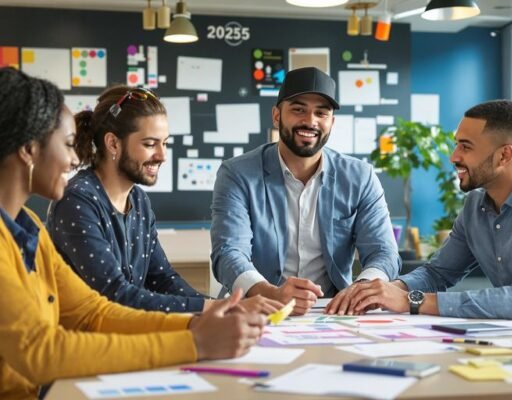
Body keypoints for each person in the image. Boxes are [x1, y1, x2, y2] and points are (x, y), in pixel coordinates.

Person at [0, 67, 266, 400]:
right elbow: (41, 352)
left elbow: (93, 311)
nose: (72, 159)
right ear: (28, 150)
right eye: (67, 145)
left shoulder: (29, 228)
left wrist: (198, 322)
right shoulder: (74, 199)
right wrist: (194, 341)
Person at [347, 100, 512, 321]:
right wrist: (384, 290)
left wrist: (412, 300)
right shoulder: (475, 205)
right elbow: (438, 273)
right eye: (456, 144)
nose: (453, 156)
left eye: (465, 147)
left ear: (503, 156)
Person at [47, 85, 282, 314]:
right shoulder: (77, 200)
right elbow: (115, 294)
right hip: (86, 342)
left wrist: (226, 307)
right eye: (150, 144)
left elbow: (162, 279)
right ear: (113, 143)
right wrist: (213, 307)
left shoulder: (138, 200)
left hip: (127, 333)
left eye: (165, 143)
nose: (162, 156)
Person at [211, 67, 400, 316]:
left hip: (332, 311)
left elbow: (384, 252)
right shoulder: (237, 173)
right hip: (257, 306)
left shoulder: (360, 177)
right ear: (277, 116)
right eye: (298, 109)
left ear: (331, 122)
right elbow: (228, 252)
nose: (310, 121)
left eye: (321, 113)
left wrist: (362, 289)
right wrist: (269, 292)